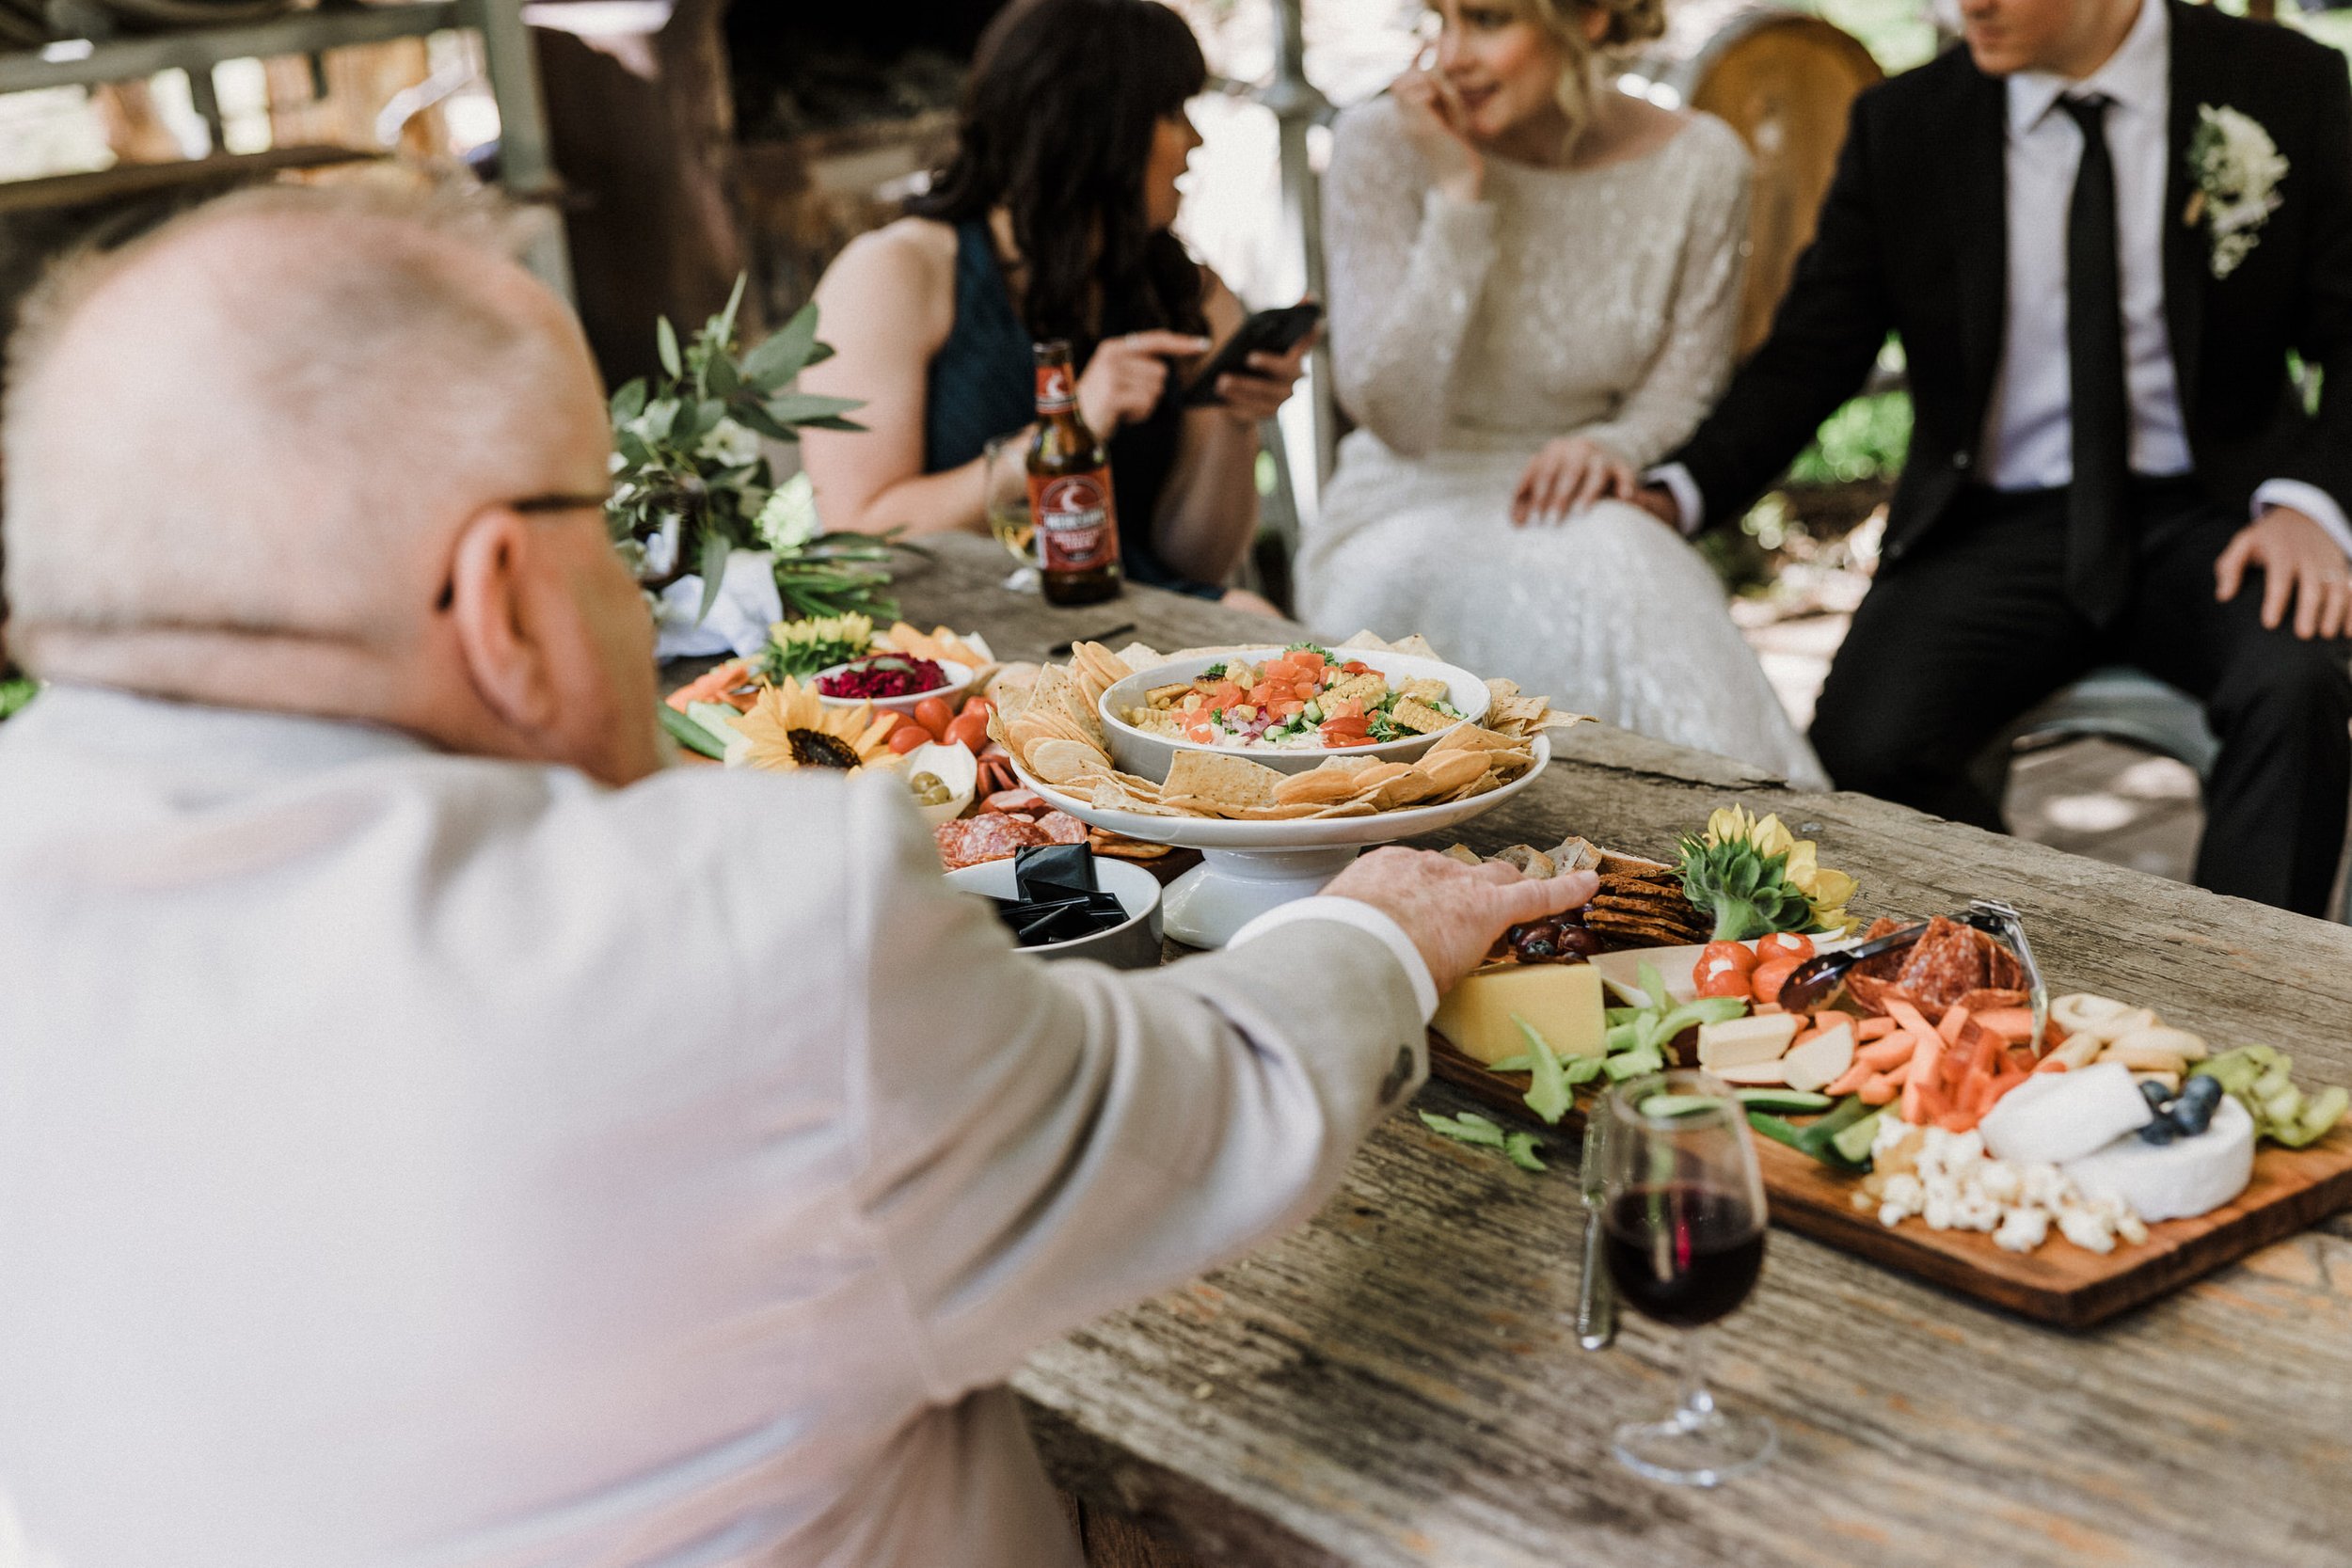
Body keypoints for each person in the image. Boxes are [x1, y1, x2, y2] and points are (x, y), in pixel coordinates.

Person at [0, 183, 1591, 1568]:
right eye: (612, 549)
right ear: (504, 597)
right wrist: (1380, 931)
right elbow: (1202, 1110)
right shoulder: (740, 931)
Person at [1634, 0, 2352, 915]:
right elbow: (1813, 350)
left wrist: (2309, 505)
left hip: (2219, 511)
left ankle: (2250, 996)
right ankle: (2033, 955)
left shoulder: (2279, 84)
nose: (1963, 4)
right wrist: (1678, 488)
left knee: (2295, 685)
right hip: (1995, 521)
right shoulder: (1906, 123)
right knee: (1864, 743)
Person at [1295, 0, 1826, 785]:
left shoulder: (1704, 162)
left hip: (1577, 498)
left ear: (1594, 18)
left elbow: (1685, 388)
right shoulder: (1382, 143)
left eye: (1484, 19)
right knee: (1619, 561)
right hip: (1404, 505)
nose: (1449, 56)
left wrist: (1613, 447)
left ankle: (1762, 846)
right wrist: (1457, 197)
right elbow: (1396, 417)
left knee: (1627, 557)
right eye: (1435, 19)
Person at [798, 0, 1309, 608]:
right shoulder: (896, 272)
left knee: (1247, 610)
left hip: (1130, 619)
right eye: (1171, 114)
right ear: (1092, 131)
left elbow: (1196, 561)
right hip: (954, 630)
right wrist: (1065, 431)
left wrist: (1234, 418)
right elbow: (859, 537)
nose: (1195, 141)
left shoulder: (1187, 292)